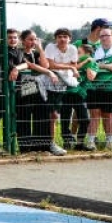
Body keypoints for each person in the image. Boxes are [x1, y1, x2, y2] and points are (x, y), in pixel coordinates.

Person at [16, 30, 58, 154]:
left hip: (38, 87)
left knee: (42, 114)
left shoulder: (36, 53)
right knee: (24, 117)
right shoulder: (19, 53)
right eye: (30, 39)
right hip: (24, 87)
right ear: (23, 40)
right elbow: (28, 65)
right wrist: (48, 73)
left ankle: (42, 146)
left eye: (35, 39)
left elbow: (45, 65)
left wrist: (40, 49)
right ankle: (25, 148)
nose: (33, 42)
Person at [42, 28, 79, 156]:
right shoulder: (50, 47)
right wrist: (69, 66)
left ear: (70, 39)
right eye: (59, 37)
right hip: (48, 86)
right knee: (51, 115)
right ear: (55, 38)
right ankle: (49, 143)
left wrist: (69, 66)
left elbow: (74, 64)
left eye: (65, 36)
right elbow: (51, 65)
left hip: (64, 86)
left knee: (57, 115)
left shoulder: (73, 49)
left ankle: (52, 143)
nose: (62, 39)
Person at [0, 28, 26, 148]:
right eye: (9, 37)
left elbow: (26, 63)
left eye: (15, 37)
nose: (12, 40)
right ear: (4, 39)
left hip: (14, 89)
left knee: (13, 115)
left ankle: (10, 142)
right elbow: (7, 65)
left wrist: (16, 68)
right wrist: (15, 68)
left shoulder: (19, 51)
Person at [62, 44, 97, 150]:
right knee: (65, 119)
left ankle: (80, 143)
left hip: (80, 94)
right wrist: (84, 62)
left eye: (79, 53)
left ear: (88, 53)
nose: (76, 55)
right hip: (66, 93)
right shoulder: (72, 61)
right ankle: (67, 141)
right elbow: (70, 68)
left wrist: (88, 66)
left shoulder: (93, 62)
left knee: (85, 119)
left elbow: (91, 77)